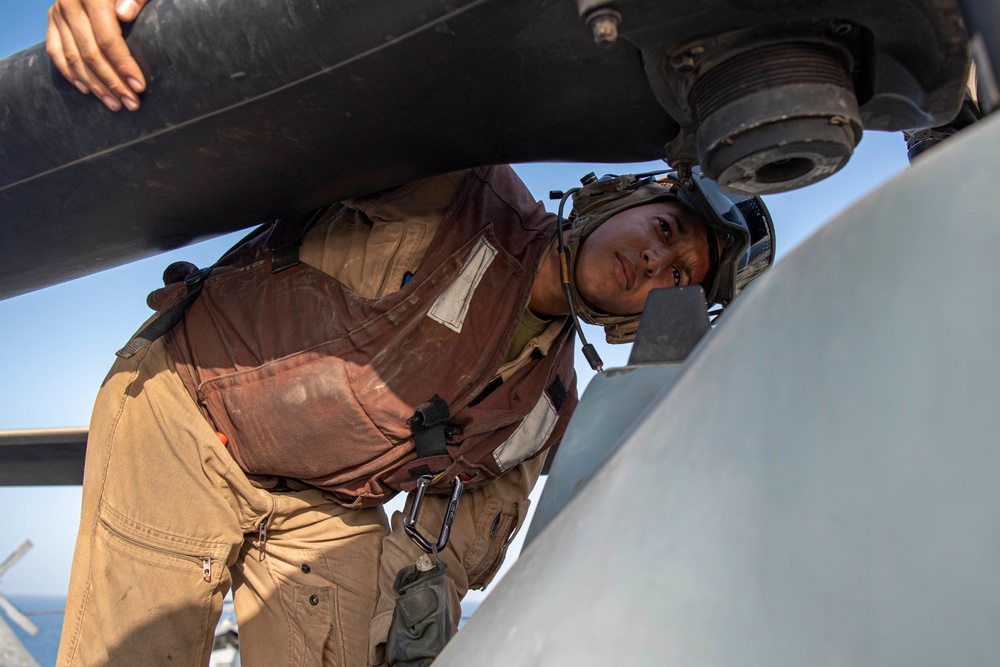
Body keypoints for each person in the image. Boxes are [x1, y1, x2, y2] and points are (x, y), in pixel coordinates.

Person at [45, 3, 776, 666]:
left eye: (677, 278)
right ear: (629, 198)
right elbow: (316, 81)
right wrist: (164, 26)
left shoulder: (549, 402)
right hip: (189, 421)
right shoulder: (459, 179)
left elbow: (470, 522)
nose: (654, 260)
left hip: (324, 511)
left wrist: (423, 595)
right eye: (667, 229)